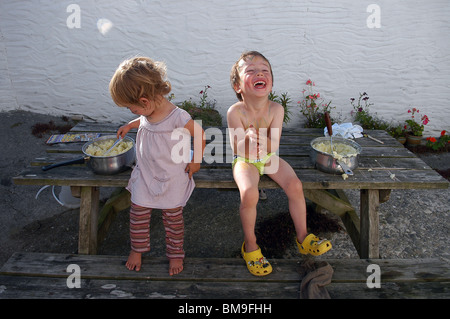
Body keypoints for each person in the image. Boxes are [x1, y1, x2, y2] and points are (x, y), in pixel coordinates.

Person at [227, 51, 331, 276]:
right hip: (245, 161)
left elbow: (273, 145)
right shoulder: (235, 112)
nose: (259, 73)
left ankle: (303, 237)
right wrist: (247, 140)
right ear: (238, 86)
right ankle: (251, 245)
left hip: (267, 157)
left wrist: (262, 140)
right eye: (251, 71)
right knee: (249, 194)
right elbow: (237, 148)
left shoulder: (276, 110)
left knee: (295, 185)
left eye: (264, 70)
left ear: (271, 83)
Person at [109, 57, 205, 275]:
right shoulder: (147, 111)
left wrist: (196, 161)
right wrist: (130, 125)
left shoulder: (177, 117)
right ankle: (137, 249)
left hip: (171, 175)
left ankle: (175, 253)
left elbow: (200, 135)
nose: (131, 111)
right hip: (146, 172)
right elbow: (143, 121)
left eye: (130, 108)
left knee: (173, 218)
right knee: (138, 213)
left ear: (144, 101)